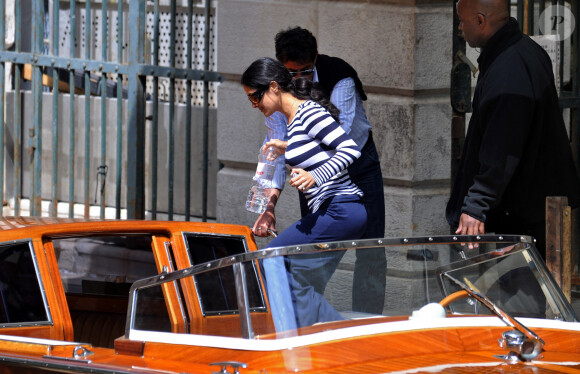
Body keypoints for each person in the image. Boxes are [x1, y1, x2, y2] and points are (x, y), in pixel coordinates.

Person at [251, 27, 386, 314]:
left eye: (305, 70)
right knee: (312, 254)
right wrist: (268, 205)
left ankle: (367, 321)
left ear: (316, 57)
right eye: (291, 72)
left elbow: (343, 141)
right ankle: (312, 320)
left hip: (357, 169)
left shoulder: (340, 78)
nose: (299, 77)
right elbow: (272, 157)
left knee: (370, 251)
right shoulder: (279, 94)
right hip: (313, 176)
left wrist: (312, 170)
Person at [447, 0, 580, 258]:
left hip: (522, 215)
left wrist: (476, 205)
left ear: (481, 21)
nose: (460, 28)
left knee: (518, 295)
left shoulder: (509, 70)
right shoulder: (523, 50)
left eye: (462, 21)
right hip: (531, 207)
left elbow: (502, 148)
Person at [241, 57, 367, 328]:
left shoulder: (308, 112)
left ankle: (336, 333)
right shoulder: (294, 119)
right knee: (292, 276)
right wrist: (285, 146)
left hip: (340, 208)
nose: (255, 105)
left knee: (271, 259)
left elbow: (350, 149)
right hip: (335, 210)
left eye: (255, 97)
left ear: (273, 87)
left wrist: (314, 176)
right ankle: (309, 336)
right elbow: (317, 147)